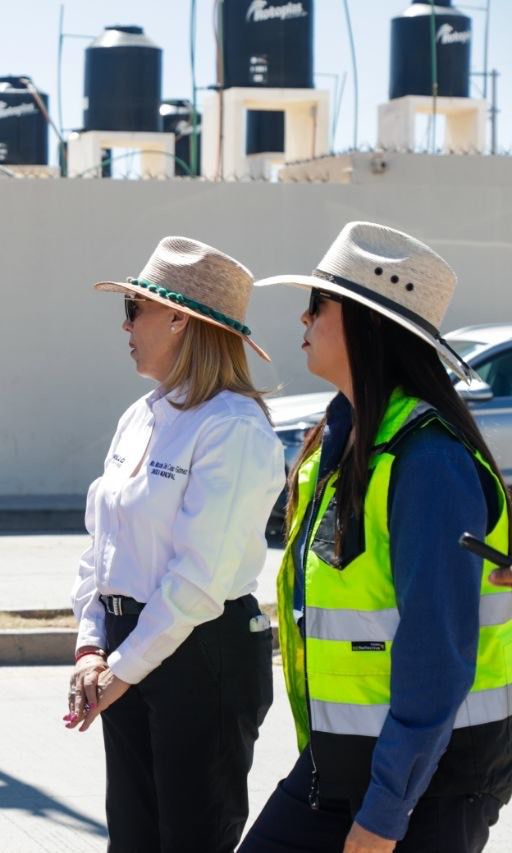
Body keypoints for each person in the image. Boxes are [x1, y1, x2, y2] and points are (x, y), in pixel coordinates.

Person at [239, 222, 512, 852]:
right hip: (342, 769)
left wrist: (386, 811)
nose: (301, 317)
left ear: (367, 324)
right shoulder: (342, 435)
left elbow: (434, 654)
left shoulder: (428, 462)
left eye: (318, 304)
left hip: (427, 786)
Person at [66, 236, 283, 852]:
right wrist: (89, 647)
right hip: (130, 647)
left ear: (180, 320)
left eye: (134, 309)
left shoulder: (233, 428)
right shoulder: (141, 415)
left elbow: (198, 581)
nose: (125, 326)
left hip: (200, 652)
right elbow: (100, 548)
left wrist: (120, 670)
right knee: (133, 840)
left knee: (189, 841)